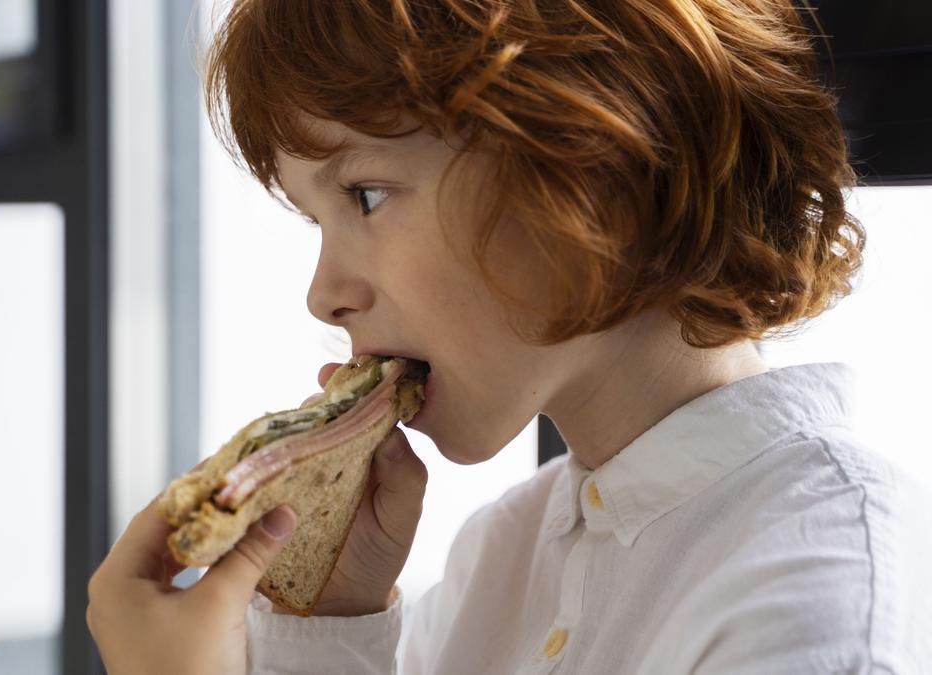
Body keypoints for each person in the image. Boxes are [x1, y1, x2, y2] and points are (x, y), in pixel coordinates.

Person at [86, 1, 932, 672]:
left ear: (595, 167)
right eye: (317, 220)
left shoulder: (821, 604)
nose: (324, 295)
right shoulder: (498, 557)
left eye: (366, 196)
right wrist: (333, 621)